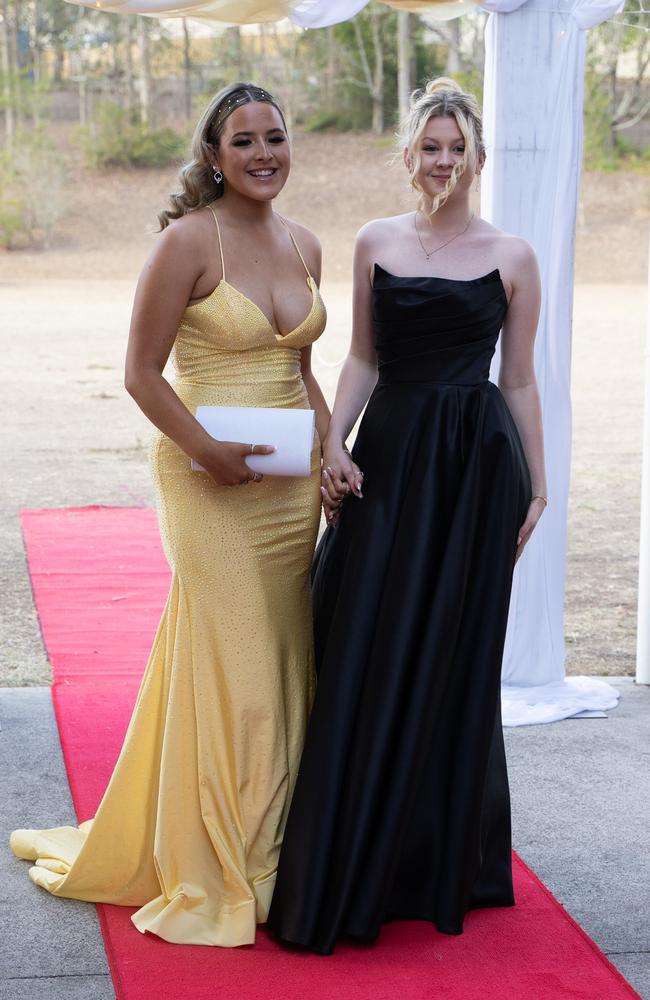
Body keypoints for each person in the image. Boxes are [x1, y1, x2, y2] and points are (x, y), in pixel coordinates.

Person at [10, 82, 330, 947]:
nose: (264, 153)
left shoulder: (305, 244)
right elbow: (141, 372)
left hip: (290, 491)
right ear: (213, 155)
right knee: (242, 662)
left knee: (283, 655)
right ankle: (232, 862)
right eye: (243, 141)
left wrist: (331, 450)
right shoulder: (186, 243)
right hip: (205, 481)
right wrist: (208, 451)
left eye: (275, 136)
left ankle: (273, 840)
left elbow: (302, 376)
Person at [267, 77, 547, 955]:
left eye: (458, 148)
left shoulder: (513, 255)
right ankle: (353, 848)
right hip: (386, 458)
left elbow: (521, 379)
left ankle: (432, 860)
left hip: (474, 468)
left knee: (450, 651)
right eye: (431, 147)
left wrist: (537, 485)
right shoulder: (374, 240)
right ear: (408, 154)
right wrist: (334, 445)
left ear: (478, 158)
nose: (444, 161)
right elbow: (360, 357)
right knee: (366, 642)